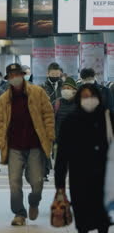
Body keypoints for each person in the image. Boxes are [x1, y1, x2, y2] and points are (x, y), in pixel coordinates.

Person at [0, 63, 55, 226]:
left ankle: (34, 202)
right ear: (8, 79)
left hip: (35, 145)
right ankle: (19, 214)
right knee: (14, 182)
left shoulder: (37, 93)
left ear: (23, 75)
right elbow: (0, 121)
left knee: (37, 182)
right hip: (14, 146)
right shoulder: (3, 99)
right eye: (12, 76)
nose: (15, 78)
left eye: (18, 75)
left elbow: (48, 114)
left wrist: (50, 136)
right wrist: (0, 141)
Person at [55, 84, 112, 233]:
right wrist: (59, 185)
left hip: (103, 177)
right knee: (82, 219)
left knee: (102, 220)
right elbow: (62, 155)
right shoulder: (70, 121)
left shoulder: (108, 118)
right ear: (79, 99)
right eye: (85, 97)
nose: (89, 100)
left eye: (92, 96)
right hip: (79, 177)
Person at [40, 62, 62, 181]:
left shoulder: (64, 86)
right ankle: (45, 172)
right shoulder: (42, 87)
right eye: (53, 74)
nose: (55, 76)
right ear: (47, 74)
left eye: (57, 74)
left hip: (61, 122)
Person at [54, 77, 78, 143]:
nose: (65, 90)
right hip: (59, 140)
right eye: (64, 88)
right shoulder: (57, 103)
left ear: (74, 91)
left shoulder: (79, 103)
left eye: (68, 88)